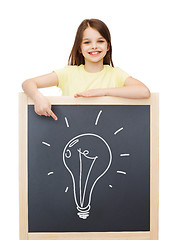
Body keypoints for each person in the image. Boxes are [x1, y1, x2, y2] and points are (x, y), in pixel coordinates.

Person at [22, 18, 150, 121]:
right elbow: (28, 83)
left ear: (108, 46)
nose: (94, 46)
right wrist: (38, 98)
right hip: (70, 135)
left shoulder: (115, 74)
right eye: (87, 42)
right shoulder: (68, 73)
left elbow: (144, 92)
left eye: (100, 41)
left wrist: (102, 92)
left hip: (107, 137)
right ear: (79, 48)